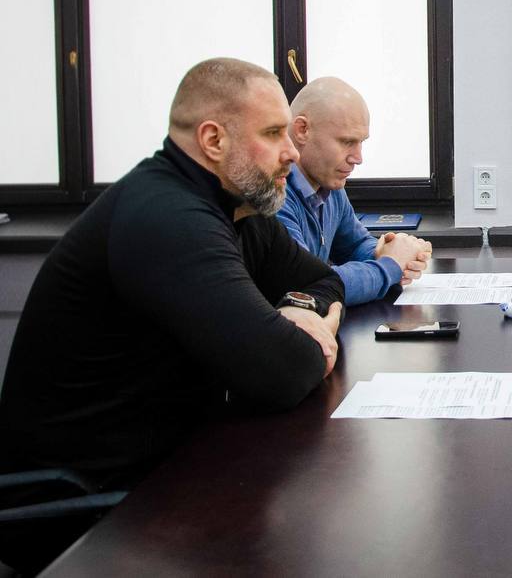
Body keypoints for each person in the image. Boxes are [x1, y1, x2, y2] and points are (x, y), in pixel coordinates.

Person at [0, 58, 344, 574]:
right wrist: (300, 336)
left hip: (165, 468)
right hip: (83, 513)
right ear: (213, 140)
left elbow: (325, 282)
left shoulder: (239, 207)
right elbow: (282, 371)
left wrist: (296, 312)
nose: (292, 152)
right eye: (273, 133)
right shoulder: (167, 216)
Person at [277, 77, 431, 305]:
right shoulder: (273, 194)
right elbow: (308, 286)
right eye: (346, 142)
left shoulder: (329, 183)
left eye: (361, 142)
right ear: (302, 130)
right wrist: (390, 266)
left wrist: (386, 251)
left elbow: (355, 245)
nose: (358, 158)